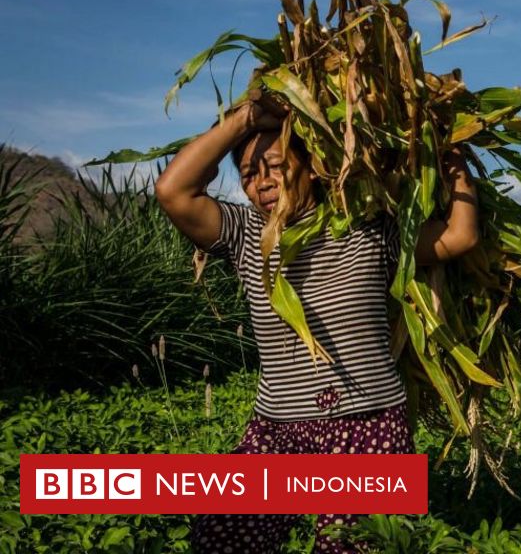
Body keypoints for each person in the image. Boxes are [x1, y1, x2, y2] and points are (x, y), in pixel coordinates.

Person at [155, 95, 479, 553]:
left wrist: (454, 166)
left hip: (369, 423)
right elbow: (173, 190)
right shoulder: (246, 235)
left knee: (354, 546)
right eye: (248, 176)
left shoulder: (369, 229)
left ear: (312, 167)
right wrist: (247, 117)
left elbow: (459, 236)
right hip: (277, 425)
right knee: (224, 536)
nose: (260, 184)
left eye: (273, 166)